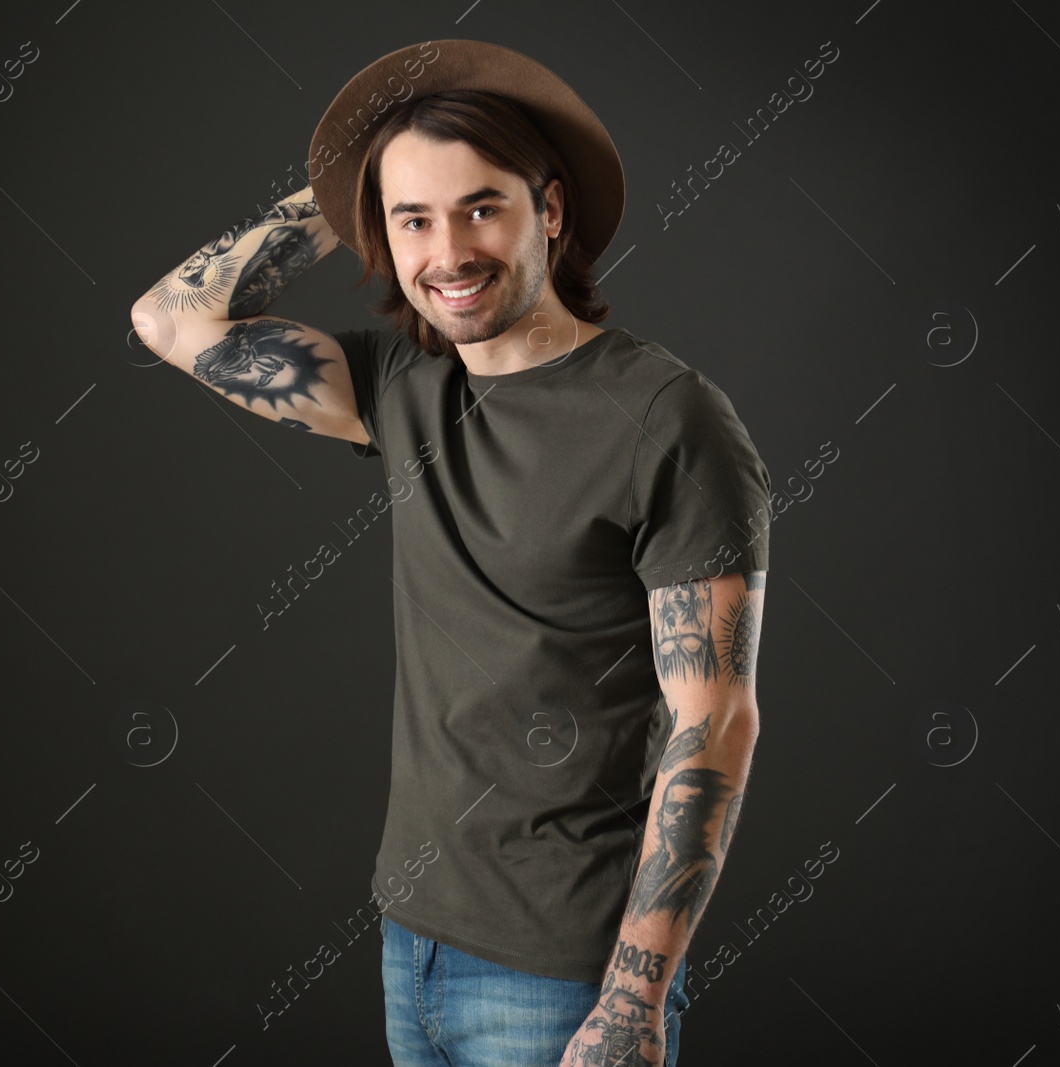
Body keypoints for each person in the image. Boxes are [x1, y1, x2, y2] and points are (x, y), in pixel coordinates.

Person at [131, 38, 770, 1067]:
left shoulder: (668, 416)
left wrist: (631, 1000)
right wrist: (357, 177)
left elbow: (715, 718)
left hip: (566, 970)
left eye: (481, 206)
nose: (449, 252)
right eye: (411, 220)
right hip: (410, 937)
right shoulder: (399, 386)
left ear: (549, 211)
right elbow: (169, 317)